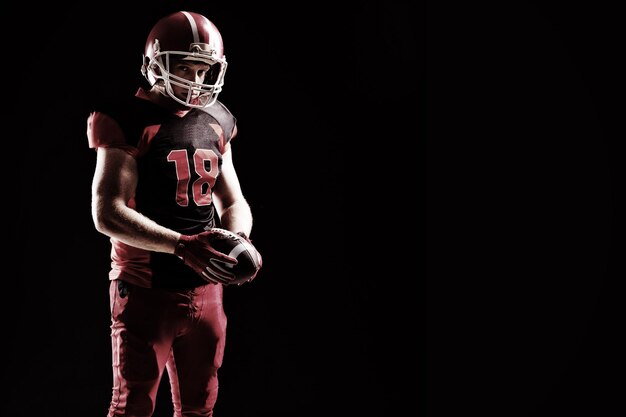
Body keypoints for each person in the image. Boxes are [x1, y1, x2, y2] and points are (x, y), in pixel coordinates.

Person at [87, 10, 260, 417]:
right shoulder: (126, 119)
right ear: (155, 65)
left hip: (205, 288)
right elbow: (107, 213)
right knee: (132, 407)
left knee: (201, 407)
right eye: (185, 68)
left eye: (204, 70)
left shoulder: (217, 119)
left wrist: (236, 242)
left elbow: (233, 201)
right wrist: (181, 246)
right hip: (146, 287)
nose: (196, 82)